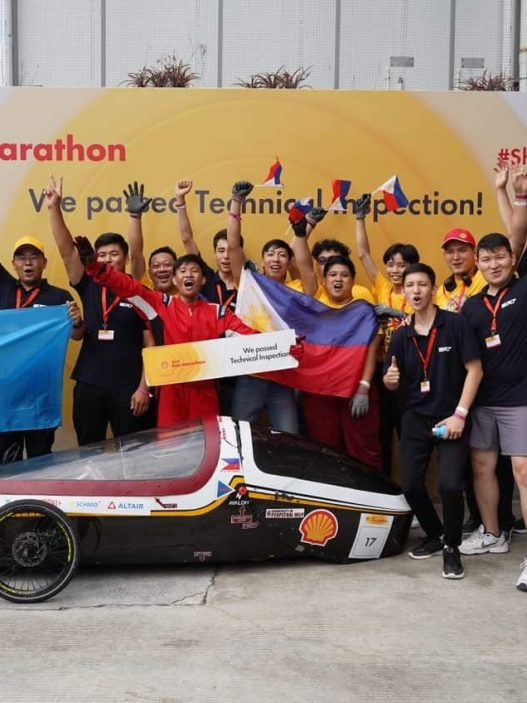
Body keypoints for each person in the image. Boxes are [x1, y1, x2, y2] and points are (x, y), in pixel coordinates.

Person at [75, 237, 290, 424]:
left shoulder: (219, 313)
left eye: (195, 271)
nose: (189, 274)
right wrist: (96, 267)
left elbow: (249, 338)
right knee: (170, 449)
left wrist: (283, 347)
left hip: (205, 393)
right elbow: (128, 287)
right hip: (170, 392)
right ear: (175, 280)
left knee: (205, 447)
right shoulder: (160, 305)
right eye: (183, 271)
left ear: (203, 280)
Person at [384, 263, 483, 580]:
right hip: (416, 418)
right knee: (411, 485)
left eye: (422, 284)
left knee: (450, 485)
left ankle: (452, 547)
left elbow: (475, 370)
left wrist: (460, 414)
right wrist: (389, 380)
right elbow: (392, 379)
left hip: (452, 417)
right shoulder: (401, 334)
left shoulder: (455, 324)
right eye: (410, 285)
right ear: (404, 291)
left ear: (433, 288)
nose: (416, 290)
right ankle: (436, 533)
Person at [44, 175, 154, 445]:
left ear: (124, 258)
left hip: (128, 388)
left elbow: (138, 252)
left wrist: (144, 387)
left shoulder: (135, 289)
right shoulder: (88, 283)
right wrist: (54, 207)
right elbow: (67, 251)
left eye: (114, 254)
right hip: (90, 383)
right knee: (88, 453)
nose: (107, 259)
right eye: (102, 254)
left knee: (132, 455)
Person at [459, 233, 527, 591]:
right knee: (482, 467)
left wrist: (516, 203)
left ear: (512, 258)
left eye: (499, 256)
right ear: (478, 263)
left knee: (523, 471)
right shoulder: (471, 306)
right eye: (486, 259)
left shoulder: (524, 289)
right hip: (483, 401)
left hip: (521, 398)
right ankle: (493, 533)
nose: (493, 264)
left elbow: (518, 228)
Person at [0, 235, 84, 461]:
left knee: (40, 459)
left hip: (40, 393)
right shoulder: (4, 289)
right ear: (13, 264)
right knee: (6, 461)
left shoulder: (59, 297)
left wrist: (76, 320)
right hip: (6, 394)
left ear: (44, 262)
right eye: (22, 258)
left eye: (34, 257)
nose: (28, 263)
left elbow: (77, 335)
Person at [227, 180, 301, 433]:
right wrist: (236, 202)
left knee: (290, 437)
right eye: (270, 254)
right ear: (262, 260)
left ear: (289, 262)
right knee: (238, 436)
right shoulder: (249, 282)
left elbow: (306, 267)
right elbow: (233, 245)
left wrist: (304, 230)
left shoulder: (296, 290)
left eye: (282, 254)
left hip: (283, 378)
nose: (276, 259)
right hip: (251, 376)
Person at [354, 192, 419, 475]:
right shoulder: (382, 286)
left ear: (413, 267)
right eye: (391, 264)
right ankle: (384, 488)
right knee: (380, 434)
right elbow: (363, 254)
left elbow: (427, 323)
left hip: (410, 372)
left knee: (408, 434)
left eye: (402, 265)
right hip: (381, 370)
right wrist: (360, 218)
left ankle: (412, 489)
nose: (395, 270)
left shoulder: (420, 290)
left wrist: (398, 314)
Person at [301, 254, 382, 469]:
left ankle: (367, 491)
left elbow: (371, 350)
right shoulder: (314, 312)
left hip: (355, 390)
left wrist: (364, 387)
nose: (338, 279)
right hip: (321, 393)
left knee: (364, 451)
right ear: (324, 280)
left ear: (353, 281)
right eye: (333, 275)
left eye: (344, 275)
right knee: (325, 451)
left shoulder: (364, 311)